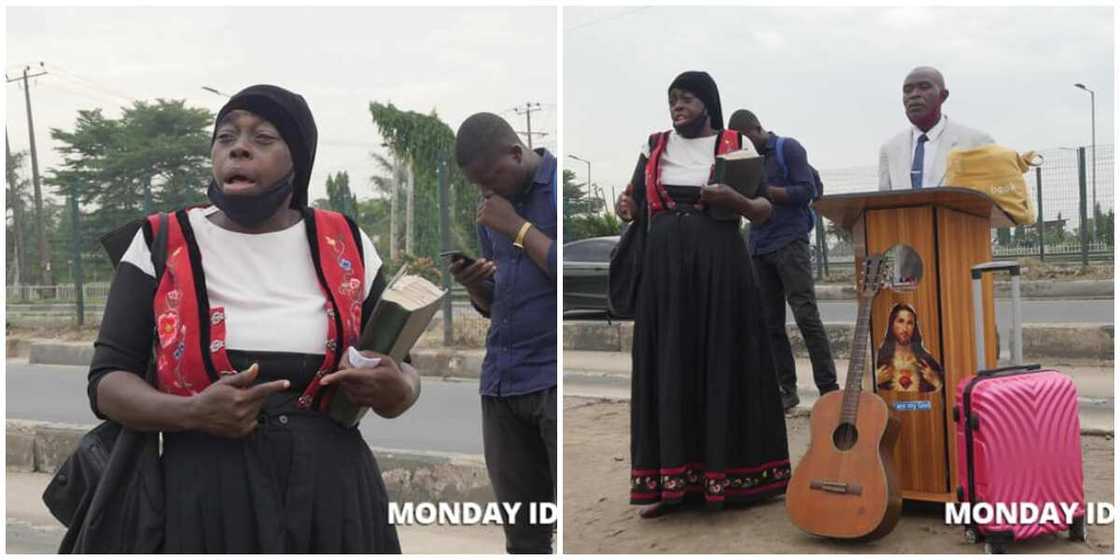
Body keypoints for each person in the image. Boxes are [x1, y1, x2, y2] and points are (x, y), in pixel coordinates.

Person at [87, 85, 416, 553]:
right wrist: (190, 412)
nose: (238, 146)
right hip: (204, 503)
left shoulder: (347, 242)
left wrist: (398, 388)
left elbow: (405, 373)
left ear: (296, 159)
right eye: (225, 137)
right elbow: (105, 382)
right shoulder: (159, 241)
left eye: (263, 137)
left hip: (333, 500)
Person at [615, 71, 791, 519]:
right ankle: (667, 485)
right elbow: (635, 201)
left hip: (722, 270)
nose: (677, 106)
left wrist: (735, 200)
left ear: (707, 102)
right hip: (665, 276)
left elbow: (764, 210)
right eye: (672, 99)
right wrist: (628, 206)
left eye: (687, 99)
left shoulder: (735, 144)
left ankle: (735, 482)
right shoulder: (653, 145)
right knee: (668, 365)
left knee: (724, 362)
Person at [451, 112, 557, 554]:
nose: (486, 191)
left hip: (550, 378)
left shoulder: (551, 198)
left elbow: (561, 272)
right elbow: (499, 303)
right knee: (523, 532)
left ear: (516, 153)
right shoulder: (492, 210)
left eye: (491, 178)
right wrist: (475, 283)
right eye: (477, 184)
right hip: (502, 382)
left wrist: (516, 226)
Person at [729, 109, 839, 411]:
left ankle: (829, 390)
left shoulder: (787, 148)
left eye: (744, 140)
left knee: (806, 315)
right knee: (769, 323)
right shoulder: (742, 160)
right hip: (759, 247)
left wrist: (766, 192)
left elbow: (806, 190)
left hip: (790, 242)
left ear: (756, 129)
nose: (742, 148)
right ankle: (785, 392)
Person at [879, 66, 995, 190]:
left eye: (924, 87)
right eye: (907, 90)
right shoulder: (890, 149)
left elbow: (997, 198)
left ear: (943, 96)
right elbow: (882, 205)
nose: (914, 95)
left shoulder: (977, 142)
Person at [875, 303, 944, 393]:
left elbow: (945, 392)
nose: (905, 329)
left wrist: (936, 381)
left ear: (914, 327)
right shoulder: (879, 358)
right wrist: (875, 380)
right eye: (900, 321)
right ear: (892, 325)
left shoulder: (926, 360)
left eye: (910, 323)